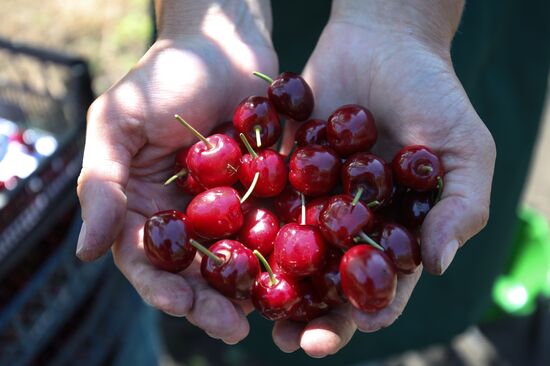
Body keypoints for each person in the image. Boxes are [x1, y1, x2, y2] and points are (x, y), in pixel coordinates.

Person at [75, 0, 550, 364]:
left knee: (427, 261)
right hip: (237, 60)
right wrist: (203, 22)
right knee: (236, 324)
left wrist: (401, 25)